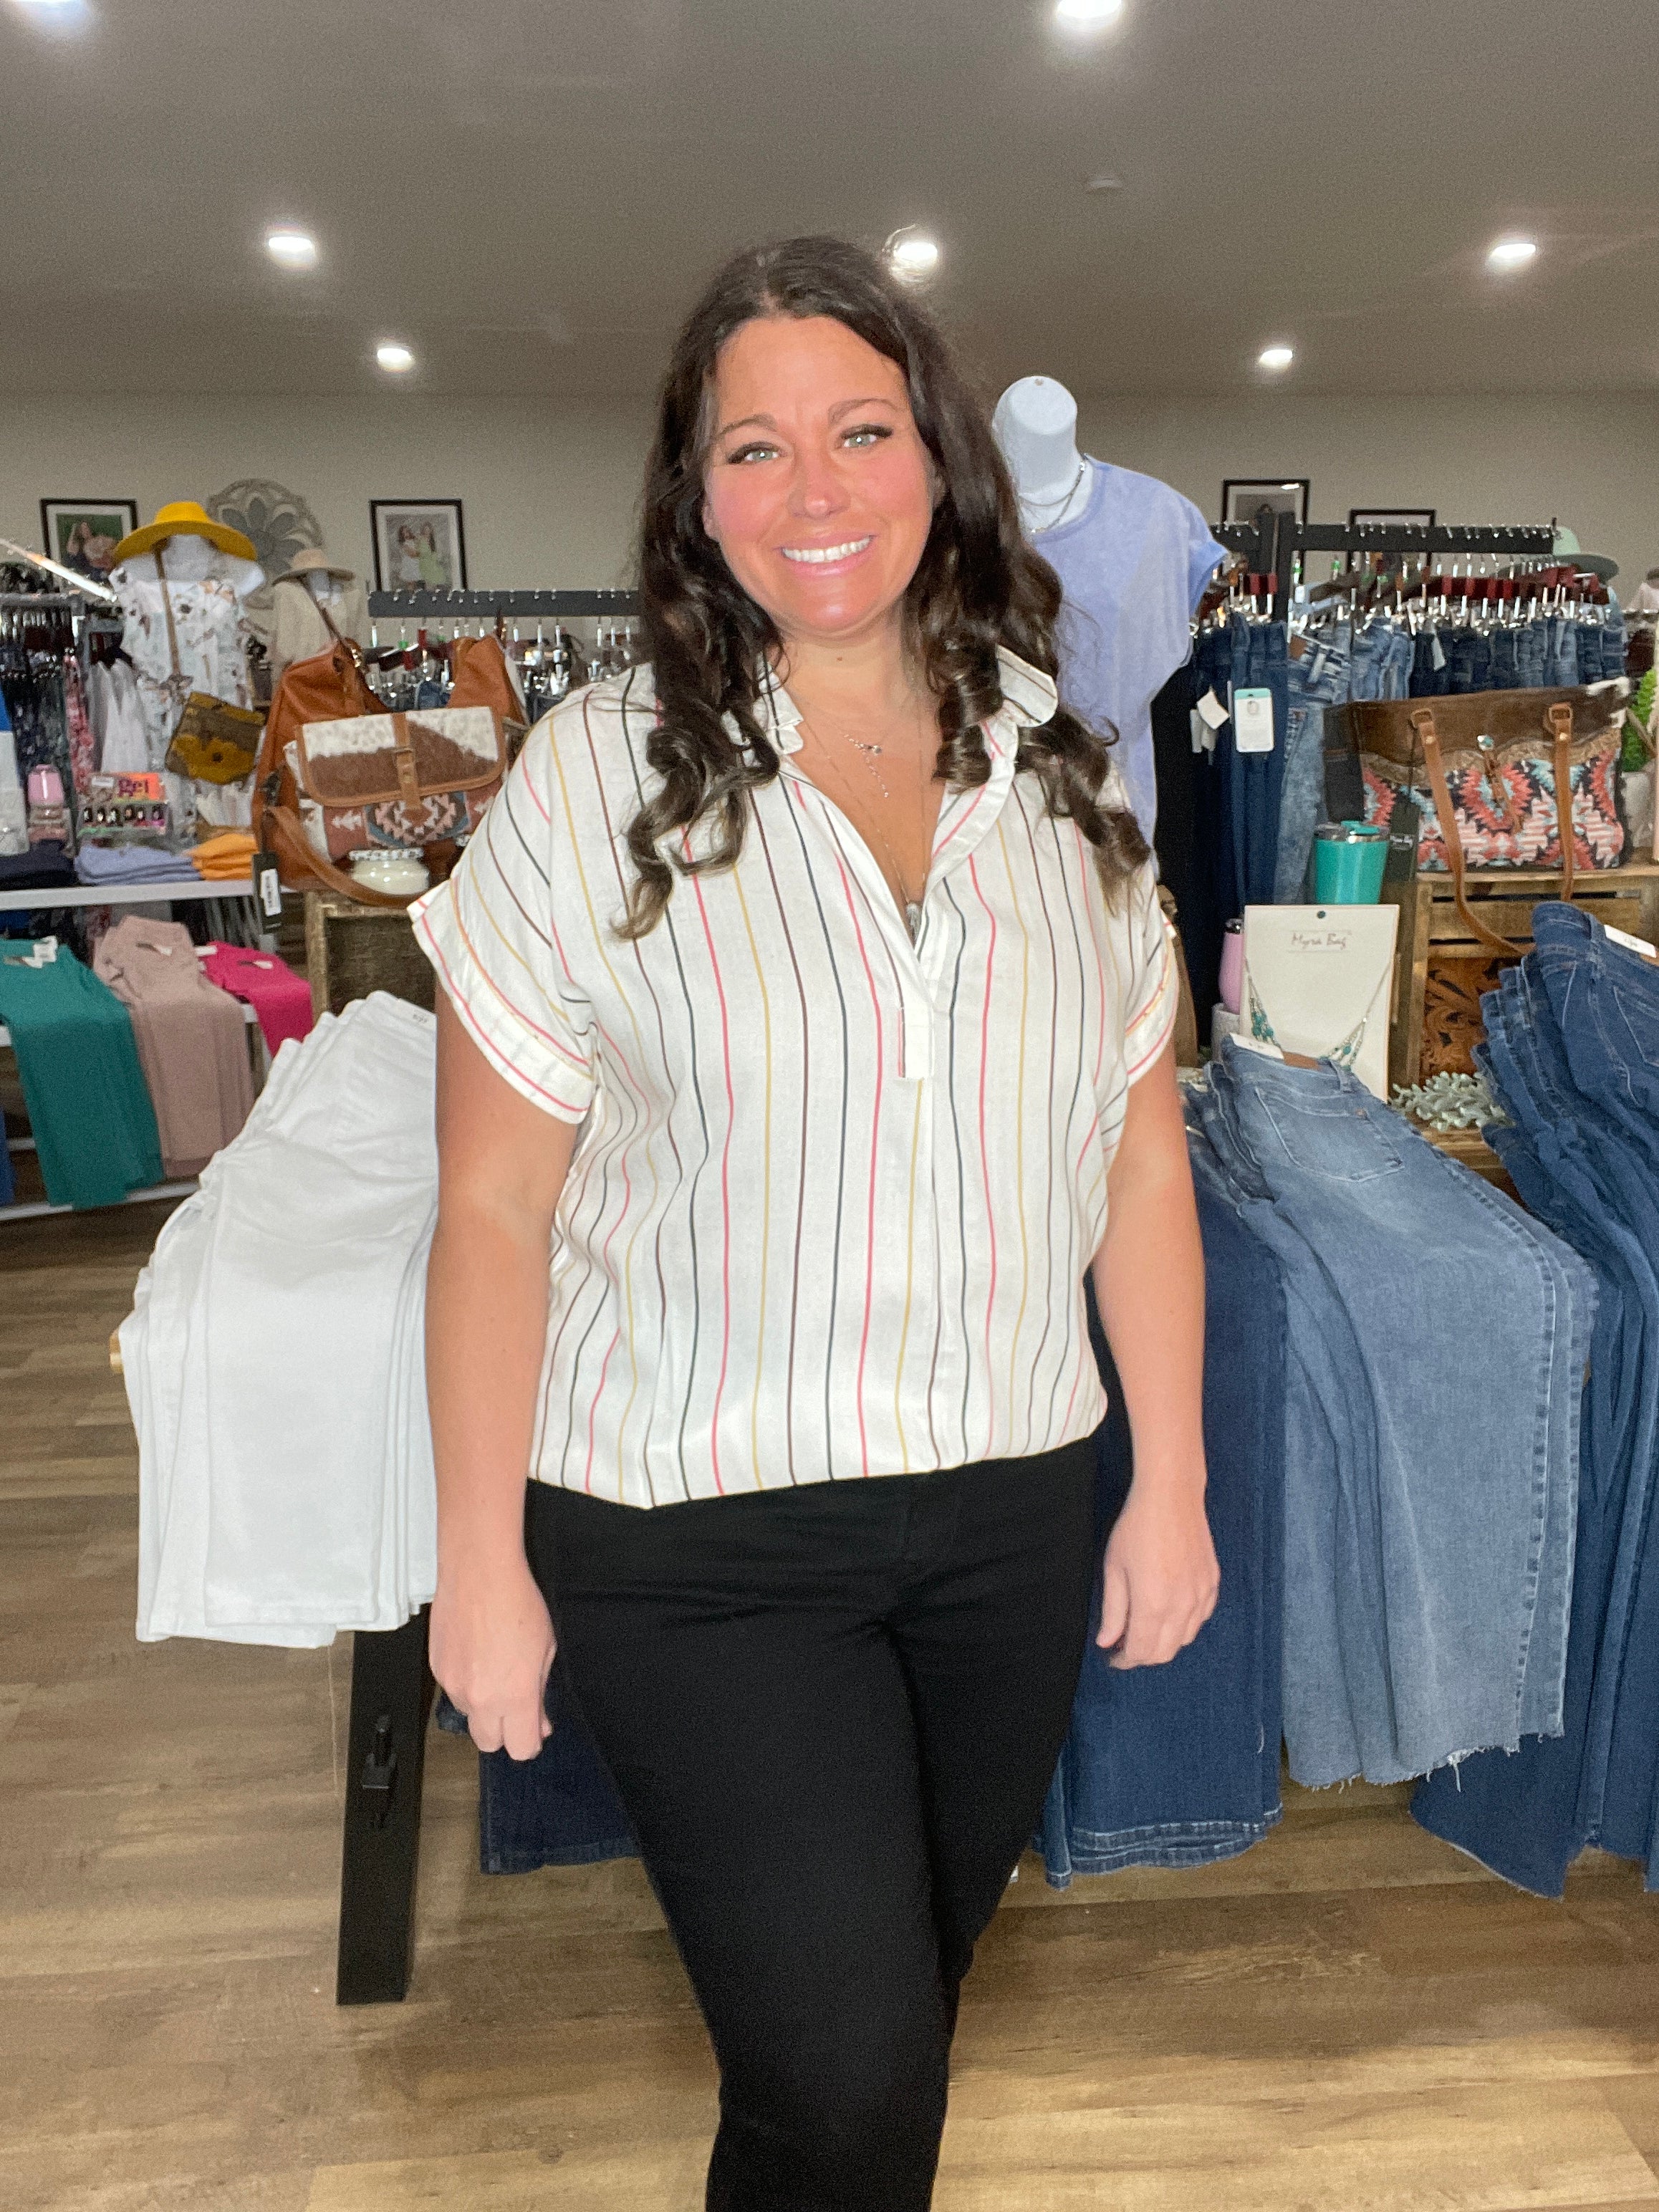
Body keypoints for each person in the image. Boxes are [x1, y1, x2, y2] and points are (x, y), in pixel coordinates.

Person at [413, 232, 1218, 2212]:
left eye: (859, 430)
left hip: (1009, 1515)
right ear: (696, 500)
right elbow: (494, 1204)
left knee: (866, 2053)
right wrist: (476, 1561)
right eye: (752, 448)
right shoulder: (593, 779)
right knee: (849, 2074)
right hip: (694, 1537)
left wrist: (1173, 1481)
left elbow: (1134, 1160)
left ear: (937, 459)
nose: (813, 489)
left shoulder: (1064, 778)